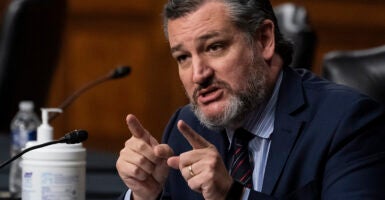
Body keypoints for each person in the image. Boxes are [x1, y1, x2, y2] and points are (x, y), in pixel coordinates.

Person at [116, 0, 385, 199]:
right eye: (183, 57)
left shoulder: (348, 123)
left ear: (264, 39)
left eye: (214, 47)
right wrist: (144, 195)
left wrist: (234, 195)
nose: (198, 75)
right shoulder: (187, 125)